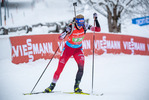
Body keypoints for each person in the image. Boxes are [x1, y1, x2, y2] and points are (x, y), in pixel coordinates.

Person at [44, 13, 101, 93]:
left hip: (78, 50)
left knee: (81, 68)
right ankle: (52, 85)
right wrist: (66, 32)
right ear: (76, 22)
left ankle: (76, 87)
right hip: (68, 50)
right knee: (60, 68)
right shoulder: (71, 27)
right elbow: (60, 37)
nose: (81, 26)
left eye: (82, 24)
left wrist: (96, 19)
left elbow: (98, 29)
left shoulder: (85, 25)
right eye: (79, 24)